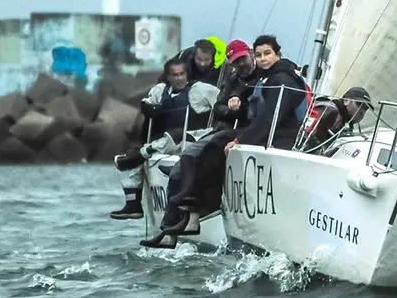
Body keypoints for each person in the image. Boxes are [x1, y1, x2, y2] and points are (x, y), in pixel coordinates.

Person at [140, 34, 310, 249]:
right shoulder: (261, 77)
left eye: (267, 53)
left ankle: (186, 217)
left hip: (273, 139)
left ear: (277, 53)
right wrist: (234, 101)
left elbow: (268, 120)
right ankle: (180, 221)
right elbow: (233, 98)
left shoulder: (283, 80)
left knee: (204, 152)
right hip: (251, 133)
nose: (263, 59)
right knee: (193, 156)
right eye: (259, 55)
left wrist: (239, 138)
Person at [109, 57, 218, 220]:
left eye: (182, 74)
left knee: (152, 148)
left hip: (194, 139)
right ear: (168, 77)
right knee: (135, 157)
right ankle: (133, 204)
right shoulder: (160, 91)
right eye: (175, 75)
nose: (180, 78)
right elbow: (146, 103)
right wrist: (149, 108)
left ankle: (143, 153)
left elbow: (221, 100)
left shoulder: (200, 90)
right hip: (167, 141)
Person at [298, 87, 372, 154]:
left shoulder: (343, 120)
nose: (362, 111)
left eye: (365, 108)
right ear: (346, 101)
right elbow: (306, 135)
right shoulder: (330, 111)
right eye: (359, 104)